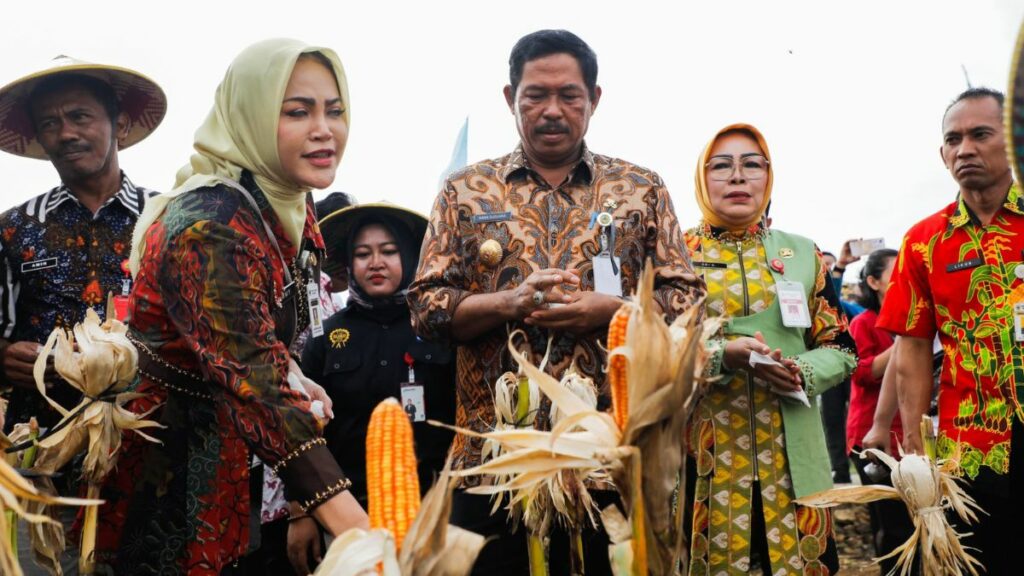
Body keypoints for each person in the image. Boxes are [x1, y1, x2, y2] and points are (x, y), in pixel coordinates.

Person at [408, 29, 704, 575]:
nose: (551, 110)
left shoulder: (641, 189)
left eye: (569, 96)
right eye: (534, 96)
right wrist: (507, 302)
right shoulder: (464, 191)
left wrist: (612, 311)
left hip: (609, 454)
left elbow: (687, 300)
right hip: (491, 459)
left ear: (594, 99)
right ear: (509, 99)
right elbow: (425, 306)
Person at [94, 39, 368, 574]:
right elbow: (254, 381)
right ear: (251, 115)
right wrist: (360, 530)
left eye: (334, 111)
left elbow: (248, 331)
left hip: (225, 458)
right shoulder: (210, 224)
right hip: (167, 479)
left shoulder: (280, 202)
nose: (324, 129)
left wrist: (293, 370)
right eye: (297, 111)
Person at [0, 56, 166, 576]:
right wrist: (5, 357)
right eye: (50, 123)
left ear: (117, 121)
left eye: (79, 116)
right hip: (43, 464)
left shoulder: (170, 219)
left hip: (154, 455)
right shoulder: (12, 229)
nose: (65, 132)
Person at [683, 123, 855, 575]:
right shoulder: (674, 254)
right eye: (721, 166)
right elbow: (655, 345)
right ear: (702, 179)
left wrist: (800, 369)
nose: (737, 177)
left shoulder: (804, 254)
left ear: (768, 176)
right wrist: (722, 354)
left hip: (792, 454)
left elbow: (841, 345)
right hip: (705, 455)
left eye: (751, 165)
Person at [878, 87, 1023, 573]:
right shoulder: (923, 242)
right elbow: (913, 346)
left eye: (981, 135)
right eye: (953, 139)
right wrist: (916, 443)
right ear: (942, 155)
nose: (965, 149)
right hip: (969, 450)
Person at [294, 203, 456, 574]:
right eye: (363, 254)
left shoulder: (440, 329)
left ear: (411, 257)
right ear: (349, 265)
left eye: (389, 251)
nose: (375, 263)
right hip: (347, 513)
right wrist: (300, 510)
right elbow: (302, 426)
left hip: (432, 508)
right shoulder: (325, 336)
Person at [845, 248, 912, 573]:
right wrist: (906, 341)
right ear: (873, 282)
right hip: (874, 438)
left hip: (911, 435)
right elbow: (863, 372)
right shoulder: (863, 323)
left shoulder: (914, 319)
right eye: (893, 274)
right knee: (892, 526)